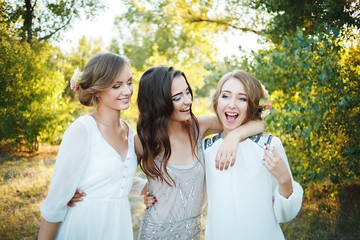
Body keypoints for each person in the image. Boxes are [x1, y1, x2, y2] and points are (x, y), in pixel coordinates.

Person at [135, 66, 264, 239]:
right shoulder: (143, 140)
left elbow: (257, 121)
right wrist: (146, 189)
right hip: (155, 233)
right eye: (177, 97)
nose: (188, 100)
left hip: (193, 233)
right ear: (158, 102)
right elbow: (117, 178)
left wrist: (234, 136)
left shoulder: (198, 127)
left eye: (187, 91)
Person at [38, 53, 147, 240]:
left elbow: (115, 178)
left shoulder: (129, 133)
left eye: (129, 82)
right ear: (97, 90)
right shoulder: (82, 130)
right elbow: (55, 202)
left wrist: (152, 189)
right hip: (84, 226)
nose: (128, 91)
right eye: (116, 85)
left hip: (118, 227)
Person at [203, 70, 303, 240]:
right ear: (217, 100)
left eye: (242, 98)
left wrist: (285, 180)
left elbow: (286, 214)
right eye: (225, 96)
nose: (232, 104)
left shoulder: (269, 146)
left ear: (251, 105)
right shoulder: (205, 149)